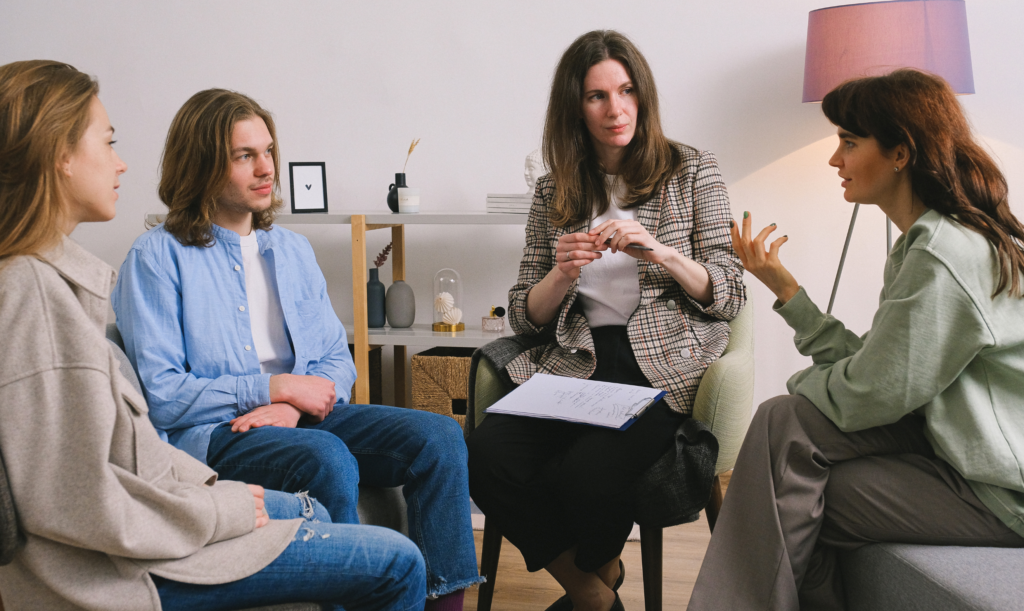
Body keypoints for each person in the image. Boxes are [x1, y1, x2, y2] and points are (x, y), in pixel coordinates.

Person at [0, 59, 424, 611]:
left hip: (170, 507)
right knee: (392, 557)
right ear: (59, 156)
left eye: (266, 150)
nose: (121, 162)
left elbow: (127, 455)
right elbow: (79, 501)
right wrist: (221, 505)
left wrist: (221, 483)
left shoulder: (57, 285)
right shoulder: (36, 296)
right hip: (130, 574)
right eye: (107, 143)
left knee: (410, 451)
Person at [110, 88, 481, 609]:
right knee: (326, 456)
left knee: (439, 436)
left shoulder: (291, 249)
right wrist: (275, 387)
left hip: (300, 415)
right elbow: (163, 396)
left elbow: (335, 359)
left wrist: (287, 404)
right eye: (245, 156)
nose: (266, 169)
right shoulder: (156, 258)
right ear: (202, 165)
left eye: (268, 153)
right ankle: (355, 594)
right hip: (217, 435)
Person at [688, 69, 1024, 610]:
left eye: (849, 141)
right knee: (794, 476)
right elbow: (882, 371)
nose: (834, 159)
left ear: (900, 153)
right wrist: (788, 291)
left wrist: (804, 382)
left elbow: (874, 392)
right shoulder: (926, 244)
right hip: (951, 451)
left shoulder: (945, 255)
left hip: (998, 491)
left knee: (785, 427)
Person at [467, 30, 746, 611]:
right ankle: (594, 591)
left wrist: (662, 253)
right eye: (596, 96)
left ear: (642, 96)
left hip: (662, 362)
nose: (614, 109)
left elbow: (729, 293)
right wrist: (560, 274)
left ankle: (594, 583)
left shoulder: (694, 171)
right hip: (576, 358)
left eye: (625, 91)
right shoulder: (554, 191)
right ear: (575, 106)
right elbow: (526, 313)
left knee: (588, 473)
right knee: (490, 452)